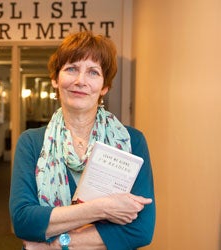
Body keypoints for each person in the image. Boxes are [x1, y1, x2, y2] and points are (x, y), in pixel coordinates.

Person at [9, 31, 156, 250]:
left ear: (104, 87)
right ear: (55, 80)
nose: (80, 81)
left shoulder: (132, 141)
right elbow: (23, 222)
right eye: (71, 69)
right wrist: (103, 208)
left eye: (93, 72)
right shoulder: (31, 142)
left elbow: (141, 230)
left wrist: (57, 244)